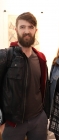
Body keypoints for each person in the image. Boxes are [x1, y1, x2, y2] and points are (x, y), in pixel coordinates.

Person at [0, 12, 48, 140]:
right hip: (13, 124)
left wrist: (45, 114)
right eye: (22, 27)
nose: (27, 31)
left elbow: (44, 88)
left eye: (30, 27)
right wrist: (1, 121)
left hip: (38, 120)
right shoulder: (5, 56)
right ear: (16, 30)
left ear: (35, 30)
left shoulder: (41, 58)